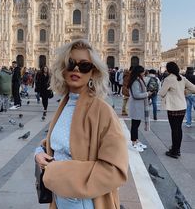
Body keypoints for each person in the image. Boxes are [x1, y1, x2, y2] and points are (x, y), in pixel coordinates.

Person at [35, 39, 128, 209]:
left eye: (84, 65)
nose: (76, 69)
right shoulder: (66, 103)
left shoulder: (102, 110)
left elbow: (116, 169)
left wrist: (55, 173)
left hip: (85, 202)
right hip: (59, 196)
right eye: (70, 64)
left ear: (93, 72)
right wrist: (40, 151)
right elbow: (63, 142)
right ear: (62, 70)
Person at [159, 62, 195, 158]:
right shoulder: (182, 78)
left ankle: (174, 151)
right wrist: (184, 92)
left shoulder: (168, 79)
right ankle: (177, 149)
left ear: (169, 69)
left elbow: (162, 93)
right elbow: (194, 89)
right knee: (178, 129)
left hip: (173, 108)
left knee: (174, 129)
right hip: (182, 107)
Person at [128, 65, 152, 152]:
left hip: (138, 106)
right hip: (136, 106)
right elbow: (136, 95)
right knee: (135, 125)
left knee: (136, 124)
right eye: (142, 71)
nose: (144, 73)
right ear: (139, 72)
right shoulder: (135, 82)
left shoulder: (138, 80)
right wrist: (147, 94)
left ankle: (136, 141)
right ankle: (133, 143)